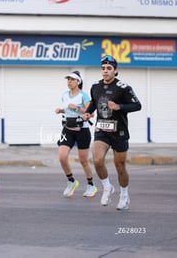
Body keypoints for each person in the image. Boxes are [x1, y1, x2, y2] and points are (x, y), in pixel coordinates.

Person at [83, 55, 141, 210]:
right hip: (102, 129)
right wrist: (88, 113)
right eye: (103, 68)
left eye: (109, 68)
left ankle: (124, 195)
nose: (105, 71)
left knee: (120, 166)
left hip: (119, 131)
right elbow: (94, 104)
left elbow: (137, 105)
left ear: (116, 71)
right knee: (97, 160)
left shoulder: (123, 87)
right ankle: (107, 187)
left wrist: (120, 107)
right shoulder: (96, 86)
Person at [55, 71, 97, 198]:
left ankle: (91, 185)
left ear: (78, 82)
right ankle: (71, 181)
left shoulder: (83, 96)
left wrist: (77, 108)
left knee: (83, 160)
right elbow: (67, 108)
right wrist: (61, 110)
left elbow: (91, 113)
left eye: (72, 79)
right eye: (68, 79)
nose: (69, 81)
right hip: (67, 129)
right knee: (62, 156)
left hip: (82, 130)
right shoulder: (65, 94)